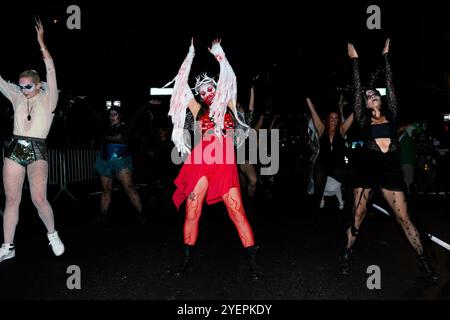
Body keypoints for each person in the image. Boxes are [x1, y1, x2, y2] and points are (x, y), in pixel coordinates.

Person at [339, 39, 438, 282]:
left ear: (381, 101)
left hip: (391, 171)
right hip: (367, 169)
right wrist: (355, 62)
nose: (371, 95)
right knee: (358, 214)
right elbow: (358, 85)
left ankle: (425, 262)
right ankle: (347, 254)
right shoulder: (363, 120)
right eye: (368, 95)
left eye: (375, 94)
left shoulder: (392, 116)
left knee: (404, 217)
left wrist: (386, 57)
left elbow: (391, 87)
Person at [167, 38, 262, 279]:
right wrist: (190, 55)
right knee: (192, 209)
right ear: (198, 96)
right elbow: (180, 86)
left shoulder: (227, 102)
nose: (207, 93)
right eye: (202, 91)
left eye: (210, 88)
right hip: (201, 161)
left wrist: (219, 54)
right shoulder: (198, 110)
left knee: (236, 211)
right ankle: (187, 260)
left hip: (224, 163)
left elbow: (230, 78)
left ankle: (253, 262)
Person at [0, 19, 64, 262]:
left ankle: (53, 234)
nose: (23, 88)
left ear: (37, 86)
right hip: (16, 147)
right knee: (12, 199)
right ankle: (8, 246)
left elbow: (51, 71)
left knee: (38, 197)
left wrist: (41, 43)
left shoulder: (49, 100)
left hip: (37, 148)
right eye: (21, 85)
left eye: (28, 86)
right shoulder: (17, 96)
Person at [93, 103, 146, 224]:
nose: (112, 116)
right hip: (105, 162)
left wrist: (146, 104)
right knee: (106, 190)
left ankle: (141, 213)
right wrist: (85, 101)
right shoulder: (105, 128)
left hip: (121, 162)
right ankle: (103, 215)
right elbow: (95, 115)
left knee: (129, 188)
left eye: (115, 114)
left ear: (120, 116)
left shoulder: (126, 128)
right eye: (110, 114)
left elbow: (136, 115)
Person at [306, 97, 353, 210]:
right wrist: (307, 98)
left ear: (338, 120)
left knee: (351, 180)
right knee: (319, 186)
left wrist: (361, 102)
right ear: (328, 119)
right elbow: (313, 112)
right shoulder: (321, 129)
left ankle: (350, 207)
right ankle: (316, 210)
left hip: (336, 166)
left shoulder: (341, 130)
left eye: (336, 118)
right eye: (331, 117)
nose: (333, 120)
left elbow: (353, 115)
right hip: (322, 164)